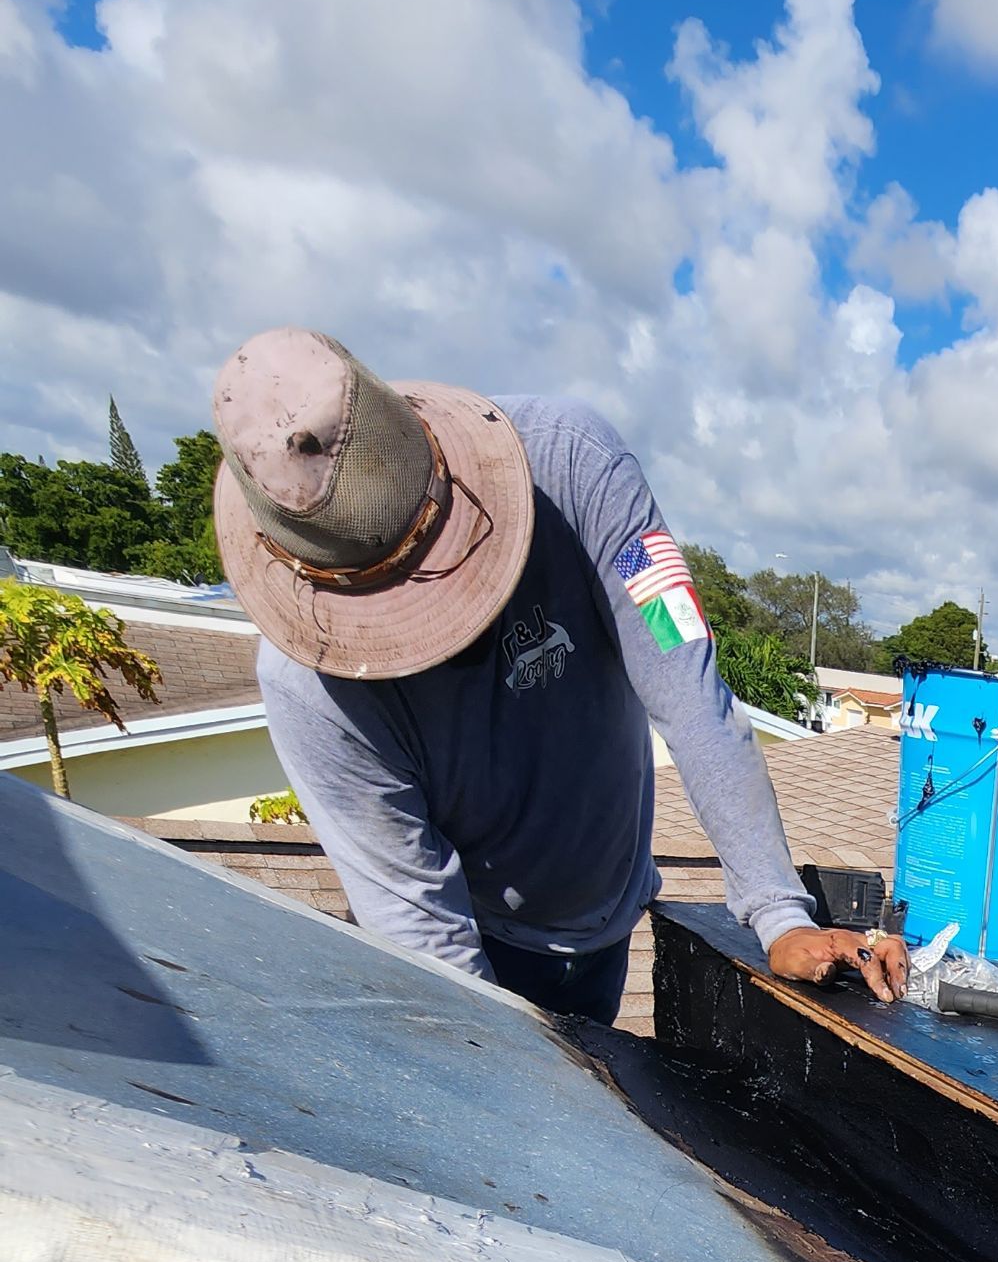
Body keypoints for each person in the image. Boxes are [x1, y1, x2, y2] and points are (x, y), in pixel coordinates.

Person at [210, 328, 905, 1024]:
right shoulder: (311, 691)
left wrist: (779, 912)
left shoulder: (581, 469)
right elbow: (422, 932)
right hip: (482, 940)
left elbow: (686, 681)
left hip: (610, 912)